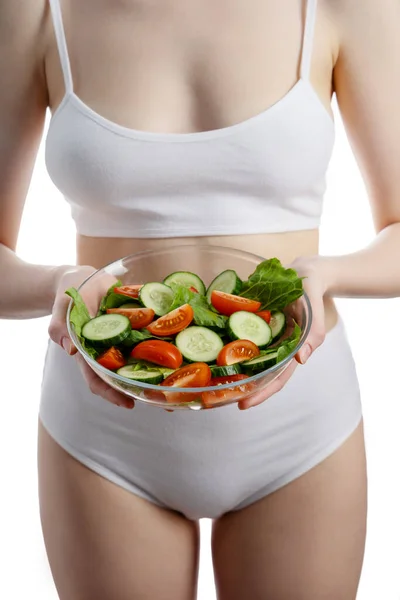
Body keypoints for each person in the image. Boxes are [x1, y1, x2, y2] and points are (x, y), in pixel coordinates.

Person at [1, 0, 399, 598]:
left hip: (298, 428)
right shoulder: (34, 12)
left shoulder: (345, 7)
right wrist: (59, 282)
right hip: (106, 432)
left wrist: (324, 275)